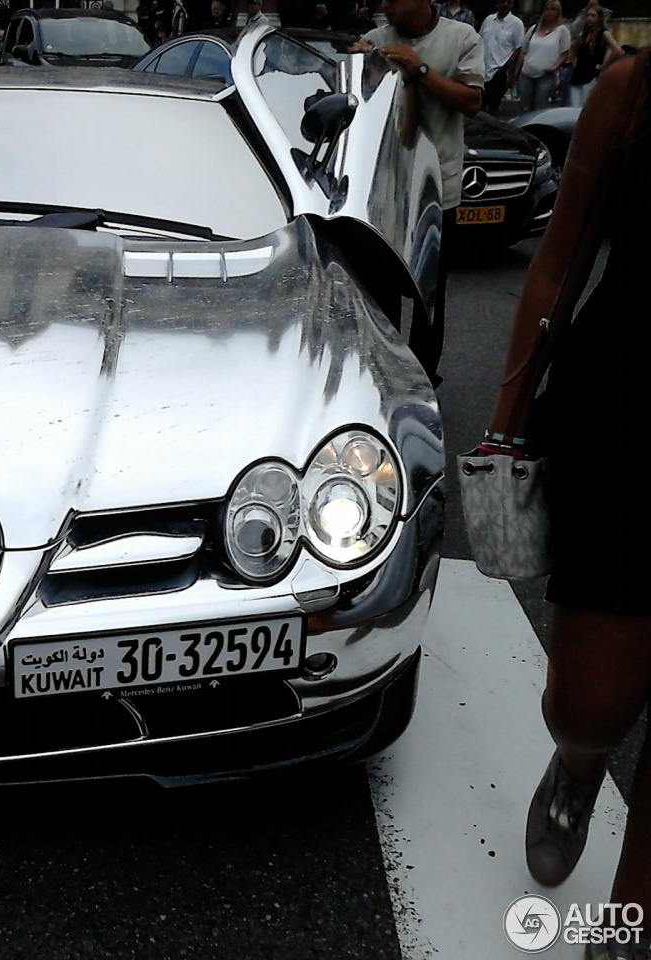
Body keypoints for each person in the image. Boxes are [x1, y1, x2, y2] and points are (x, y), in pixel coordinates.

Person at [482, 48, 651, 960]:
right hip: (627, 418)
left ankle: (631, 917)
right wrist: (507, 418)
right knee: (589, 704)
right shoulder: (634, 90)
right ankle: (579, 763)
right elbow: (556, 265)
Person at [352, 0, 482, 381]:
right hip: (383, 190)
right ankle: (381, 375)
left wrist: (418, 68)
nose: (385, 5)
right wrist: (360, 65)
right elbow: (353, 99)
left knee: (426, 299)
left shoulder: (462, 38)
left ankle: (422, 378)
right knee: (378, 291)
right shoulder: (376, 38)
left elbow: (472, 102)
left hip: (437, 192)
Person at [516, 0, 570, 111]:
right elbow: (523, 51)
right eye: (547, 9)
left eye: (553, 9)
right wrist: (517, 71)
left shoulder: (562, 30)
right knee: (525, 107)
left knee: (540, 106)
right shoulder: (534, 29)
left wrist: (555, 67)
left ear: (558, 13)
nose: (549, 12)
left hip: (546, 75)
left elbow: (565, 53)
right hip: (527, 73)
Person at [569, 4, 621, 107]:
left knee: (585, 105)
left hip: (591, 75)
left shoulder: (603, 33)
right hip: (578, 75)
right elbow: (574, 50)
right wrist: (574, 61)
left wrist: (603, 66)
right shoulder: (584, 34)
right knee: (574, 106)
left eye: (593, 16)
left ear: (599, 18)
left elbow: (617, 50)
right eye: (588, 15)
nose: (589, 18)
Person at [480, 0, 525, 115]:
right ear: (497, 3)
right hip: (482, 69)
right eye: (502, 1)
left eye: (508, 2)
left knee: (493, 105)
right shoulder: (488, 20)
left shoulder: (517, 24)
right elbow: (479, 40)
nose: (505, 5)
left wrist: (508, 69)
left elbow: (518, 49)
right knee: (479, 104)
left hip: (500, 71)